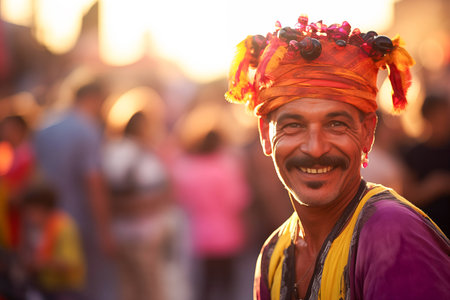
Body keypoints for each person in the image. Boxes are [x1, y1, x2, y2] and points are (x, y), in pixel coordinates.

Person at [225, 15, 450, 300]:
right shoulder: (274, 254)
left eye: (336, 124)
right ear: (265, 135)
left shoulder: (393, 235)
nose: (315, 148)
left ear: (368, 133)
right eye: (293, 125)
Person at [33, 80, 117, 300]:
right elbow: (94, 182)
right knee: (85, 286)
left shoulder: (46, 126)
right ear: (94, 98)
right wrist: (105, 230)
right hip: (80, 222)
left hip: (46, 219)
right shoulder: (87, 130)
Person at [102, 111, 178, 300]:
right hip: (143, 233)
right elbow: (158, 192)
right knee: (150, 289)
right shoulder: (139, 154)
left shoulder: (111, 151)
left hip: (122, 231)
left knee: (128, 288)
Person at [19, 183, 85, 300]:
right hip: (44, 287)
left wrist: (42, 263)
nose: (27, 216)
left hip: (65, 289)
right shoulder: (36, 229)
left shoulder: (64, 227)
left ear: (41, 209)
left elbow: (71, 264)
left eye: (30, 211)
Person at [402, 93, 450, 236]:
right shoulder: (414, 153)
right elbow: (407, 196)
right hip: (427, 233)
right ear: (427, 117)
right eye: (439, 116)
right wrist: (432, 187)